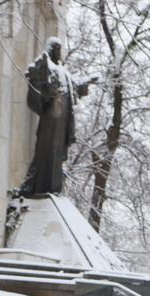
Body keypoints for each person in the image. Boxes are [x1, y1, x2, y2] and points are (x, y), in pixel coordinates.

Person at [18, 38, 96, 197]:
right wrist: (42, 65)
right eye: (57, 49)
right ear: (52, 49)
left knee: (57, 153)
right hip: (51, 119)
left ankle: (52, 188)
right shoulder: (47, 65)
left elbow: (75, 87)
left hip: (63, 120)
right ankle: (36, 187)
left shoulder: (63, 70)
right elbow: (35, 75)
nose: (60, 53)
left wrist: (87, 81)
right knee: (45, 151)